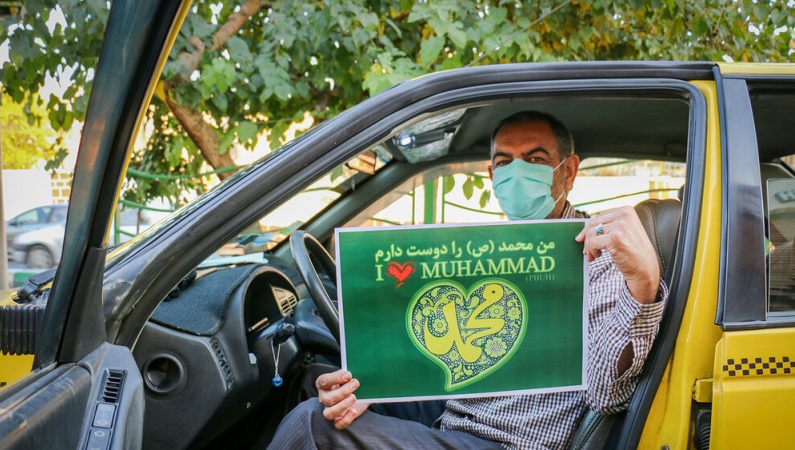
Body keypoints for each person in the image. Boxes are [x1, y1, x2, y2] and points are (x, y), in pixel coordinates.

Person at [268, 111, 668, 449]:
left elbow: (607, 395)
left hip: (507, 440)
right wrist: (369, 381)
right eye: (505, 162)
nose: (517, 172)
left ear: (569, 171)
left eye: (535, 159)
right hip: (459, 408)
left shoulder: (598, 255)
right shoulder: (483, 249)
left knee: (312, 425)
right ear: (492, 174)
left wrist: (644, 284)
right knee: (316, 385)